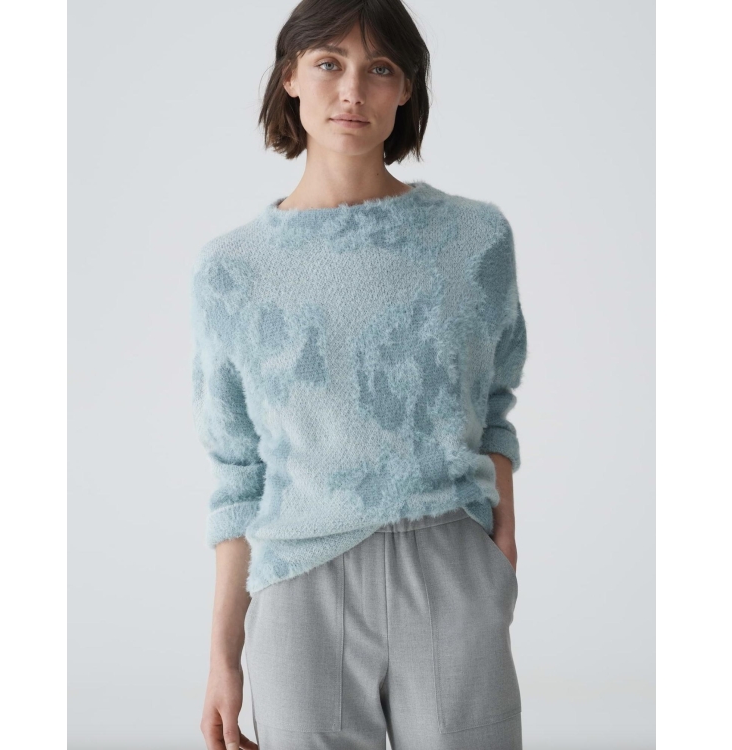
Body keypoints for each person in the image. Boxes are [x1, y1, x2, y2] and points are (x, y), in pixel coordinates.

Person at [192, 1, 527, 748]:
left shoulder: (475, 237)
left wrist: (499, 548)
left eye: (379, 68)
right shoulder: (232, 269)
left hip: (449, 564)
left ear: (405, 88)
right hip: (299, 590)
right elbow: (237, 471)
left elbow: (493, 403)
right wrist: (222, 655)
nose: (352, 90)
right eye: (328, 63)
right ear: (289, 76)